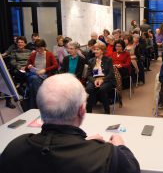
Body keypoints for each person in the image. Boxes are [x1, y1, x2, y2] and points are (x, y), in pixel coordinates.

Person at [0, 73, 140, 173]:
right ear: (82, 110)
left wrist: (83, 144)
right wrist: (120, 146)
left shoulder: (15, 147)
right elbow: (132, 168)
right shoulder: (106, 155)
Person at [26, 39, 58, 109]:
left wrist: (45, 70)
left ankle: (34, 107)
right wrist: (29, 66)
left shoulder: (49, 54)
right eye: (37, 48)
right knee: (33, 79)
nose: (39, 50)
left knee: (32, 82)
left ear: (44, 47)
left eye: (41, 48)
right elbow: (27, 66)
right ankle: (41, 103)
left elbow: (56, 65)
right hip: (35, 74)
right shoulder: (33, 55)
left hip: (45, 75)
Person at [86, 43, 116, 114]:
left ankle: (107, 110)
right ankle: (89, 111)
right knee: (89, 89)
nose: (95, 51)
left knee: (102, 89)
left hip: (107, 79)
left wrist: (102, 80)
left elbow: (111, 74)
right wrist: (94, 81)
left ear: (102, 51)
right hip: (94, 79)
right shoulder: (91, 61)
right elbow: (88, 75)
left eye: (97, 49)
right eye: (94, 49)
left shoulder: (108, 60)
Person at [5, 36, 31, 109]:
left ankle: (26, 95)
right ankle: (10, 100)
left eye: (22, 42)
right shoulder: (14, 52)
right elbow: (12, 62)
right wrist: (20, 68)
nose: (20, 43)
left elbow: (31, 61)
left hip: (27, 68)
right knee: (9, 79)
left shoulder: (29, 51)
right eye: (19, 42)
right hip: (17, 69)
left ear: (25, 43)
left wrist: (26, 67)